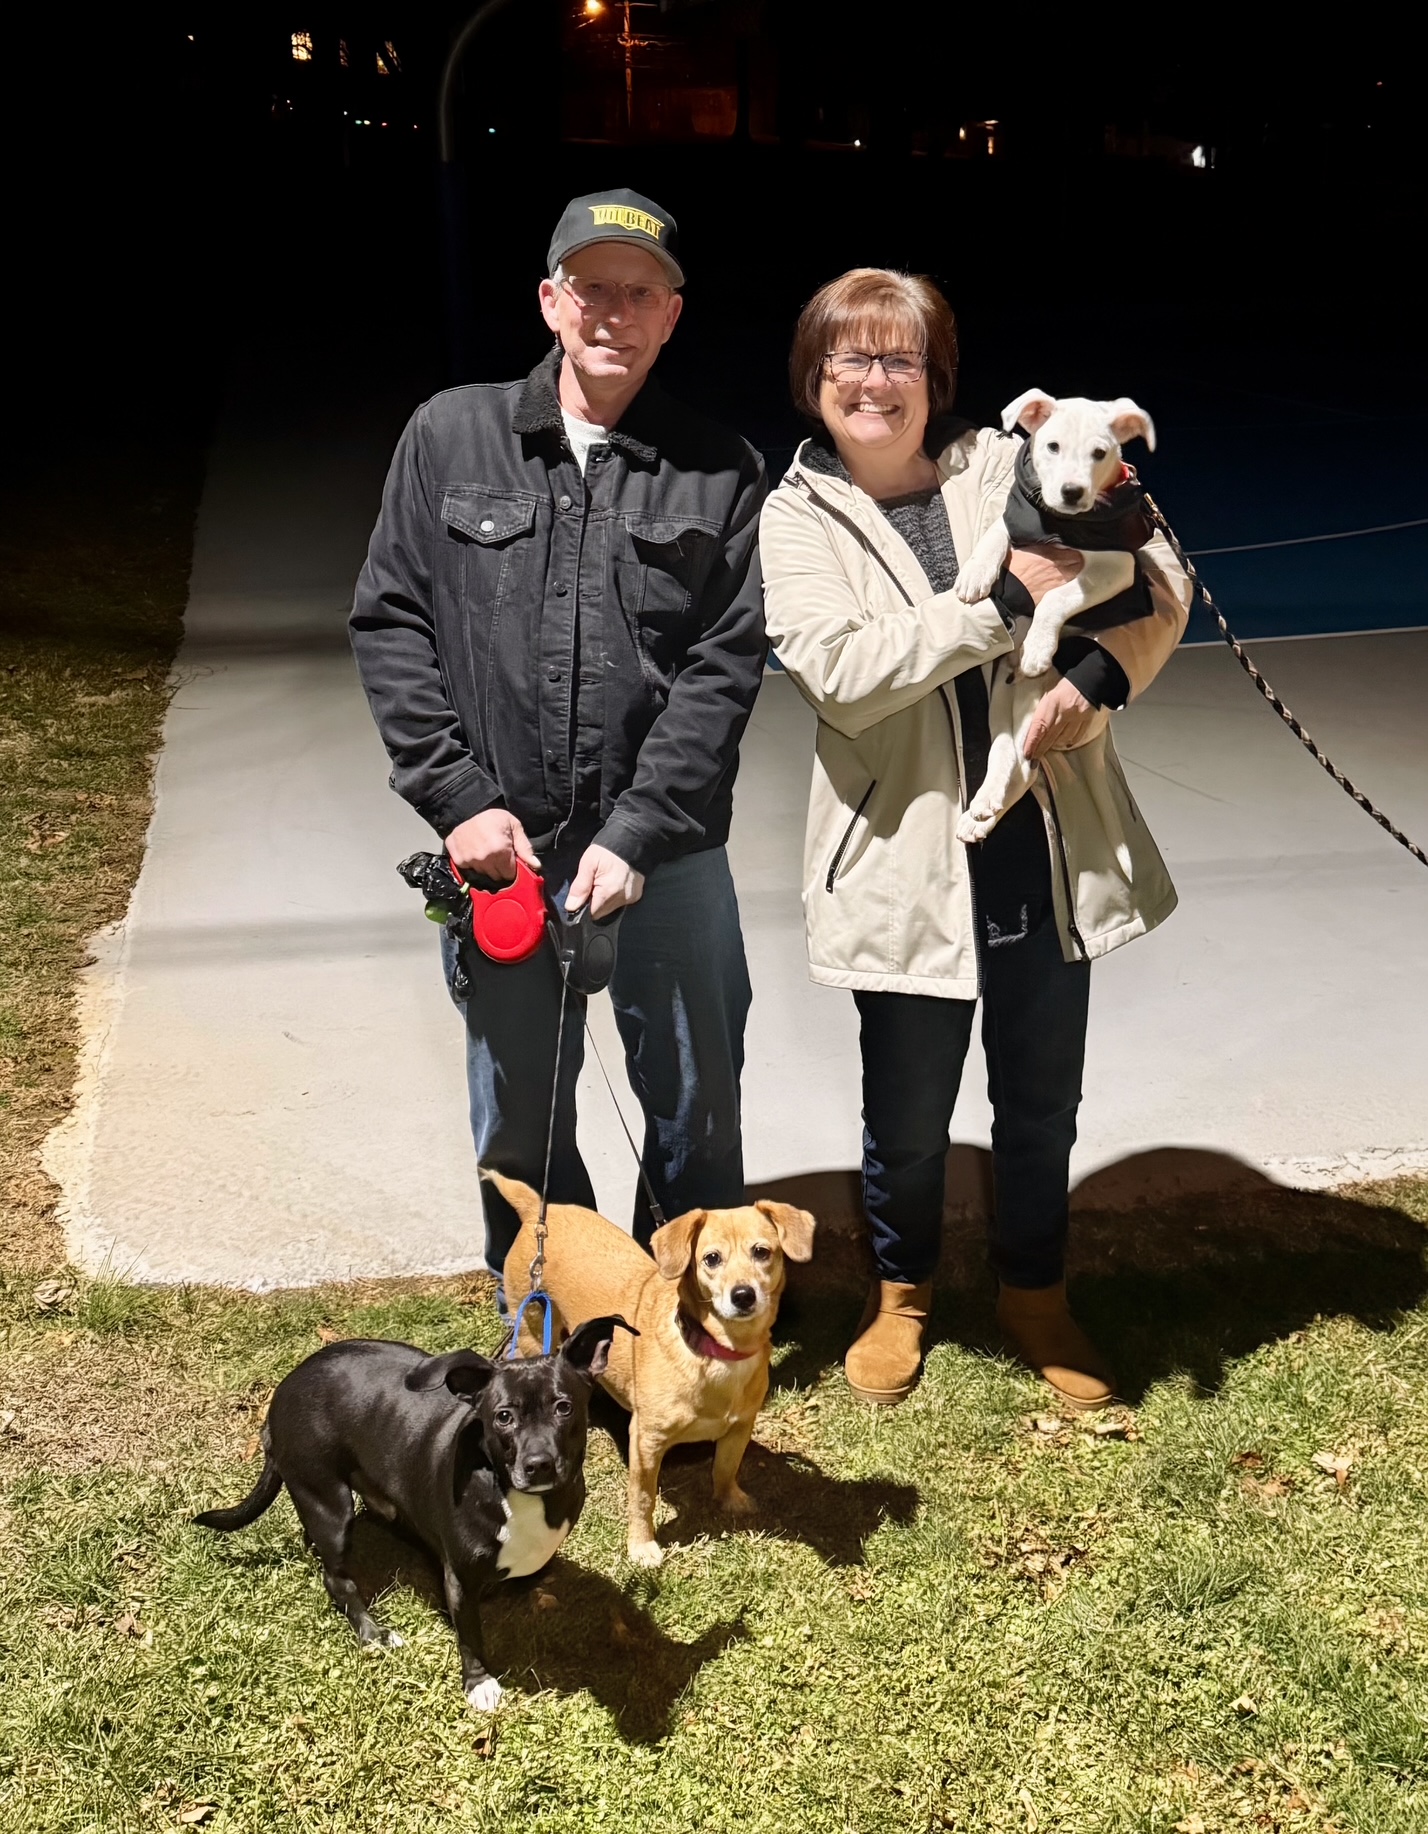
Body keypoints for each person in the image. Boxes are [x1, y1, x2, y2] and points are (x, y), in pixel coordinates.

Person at [759, 269, 1192, 1408]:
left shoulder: (1007, 462)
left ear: (936, 375)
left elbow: (1158, 575)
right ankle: (900, 1294)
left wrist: (1094, 681)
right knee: (907, 1112)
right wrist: (1000, 605)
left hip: (1039, 835)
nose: (874, 381)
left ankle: (1035, 1289)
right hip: (901, 854)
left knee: (1041, 1098)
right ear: (814, 376)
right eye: (850, 358)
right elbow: (843, 673)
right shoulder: (795, 514)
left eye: (900, 358)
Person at [351, 189, 767, 1288]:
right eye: (592, 288)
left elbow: (722, 671)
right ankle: (547, 1324)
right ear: (550, 300)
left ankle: (681, 1326)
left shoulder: (720, 468)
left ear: (672, 315)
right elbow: (391, 622)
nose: (613, 313)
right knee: (521, 1119)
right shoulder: (451, 435)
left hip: (667, 854)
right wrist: (457, 801)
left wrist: (636, 833)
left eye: (641, 293)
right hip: (506, 852)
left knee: (696, 1107)